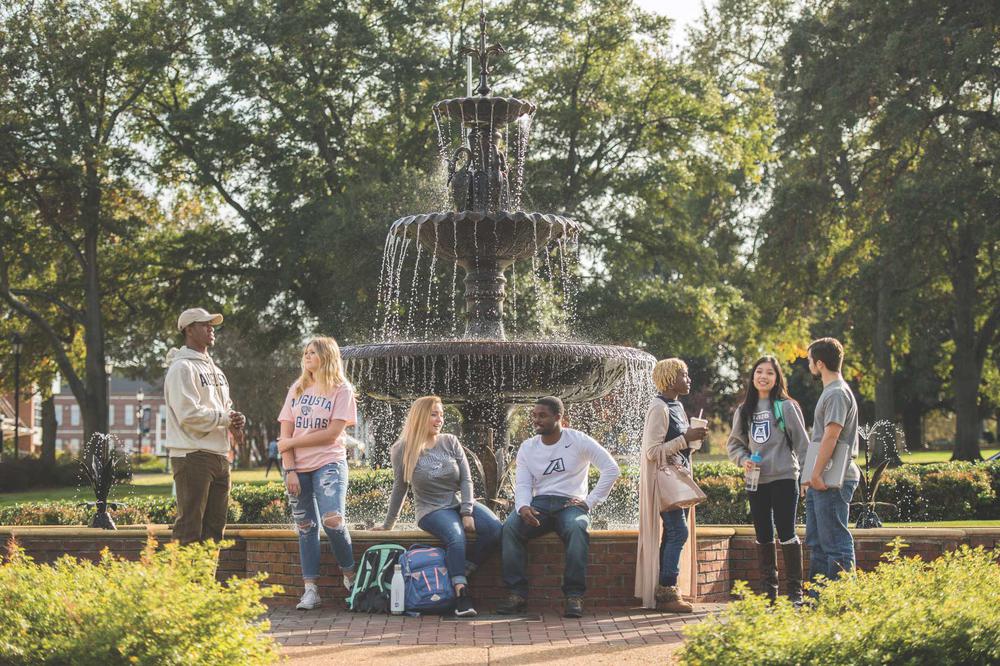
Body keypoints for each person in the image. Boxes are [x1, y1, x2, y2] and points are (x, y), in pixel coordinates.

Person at [375, 396, 502, 617]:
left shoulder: (450, 441)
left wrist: (467, 511)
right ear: (420, 417)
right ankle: (461, 594)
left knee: (495, 528)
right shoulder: (402, 449)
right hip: (431, 510)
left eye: (441, 414)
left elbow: (466, 480)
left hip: (456, 503)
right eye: (434, 414)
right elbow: (400, 488)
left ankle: (462, 568)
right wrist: (388, 524)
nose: (439, 419)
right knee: (456, 537)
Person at [497, 396, 621, 619]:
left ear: (558, 417)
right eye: (534, 415)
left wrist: (589, 502)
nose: (536, 420)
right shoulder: (528, 447)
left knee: (577, 528)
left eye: (542, 415)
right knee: (510, 528)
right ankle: (517, 594)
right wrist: (523, 507)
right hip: (540, 504)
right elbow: (524, 483)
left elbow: (611, 469)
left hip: (570, 504)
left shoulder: (578, 440)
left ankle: (574, 596)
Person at [278, 337, 358, 611]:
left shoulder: (341, 389)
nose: (307, 356)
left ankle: (350, 577)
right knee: (305, 528)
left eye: (313, 352)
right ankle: (310, 590)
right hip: (296, 469)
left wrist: (292, 444)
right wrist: (289, 468)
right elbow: (284, 435)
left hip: (329, 464)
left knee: (333, 520)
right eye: (305, 352)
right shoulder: (297, 388)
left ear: (326, 356)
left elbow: (333, 434)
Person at [726, 356, 810, 603]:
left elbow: (803, 445)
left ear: (777, 378)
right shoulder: (744, 410)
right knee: (763, 534)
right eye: (759, 372)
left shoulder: (786, 407)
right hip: (756, 482)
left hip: (784, 478)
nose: (764, 376)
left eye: (770, 373)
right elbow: (734, 445)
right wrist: (743, 460)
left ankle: (795, 593)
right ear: (753, 377)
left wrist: (805, 477)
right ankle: (769, 594)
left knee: (786, 532)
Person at [164, 307, 245, 545]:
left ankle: (205, 583)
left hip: (219, 455)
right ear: (189, 330)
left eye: (212, 325)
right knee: (189, 529)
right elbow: (188, 414)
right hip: (192, 455)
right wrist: (225, 419)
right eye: (204, 324)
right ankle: (183, 583)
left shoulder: (216, 370)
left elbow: (225, 408)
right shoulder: (181, 368)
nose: (211, 329)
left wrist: (236, 421)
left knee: (214, 532)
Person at [634, 359, 707, 612]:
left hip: (679, 479)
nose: (689, 380)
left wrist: (692, 441)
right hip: (665, 483)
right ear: (668, 378)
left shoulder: (678, 406)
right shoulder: (659, 408)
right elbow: (652, 452)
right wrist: (685, 438)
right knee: (679, 532)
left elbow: (677, 445)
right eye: (684, 375)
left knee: (673, 533)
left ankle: (666, 591)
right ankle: (668, 592)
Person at [804, 337, 861, 589]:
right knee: (817, 543)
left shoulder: (837, 393)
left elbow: (831, 435)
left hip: (832, 478)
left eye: (809, 361)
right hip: (820, 477)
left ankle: (841, 601)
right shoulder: (831, 391)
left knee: (835, 543)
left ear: (819, 363)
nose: (809, 366)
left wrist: (815, 474)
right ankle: (817, 600)